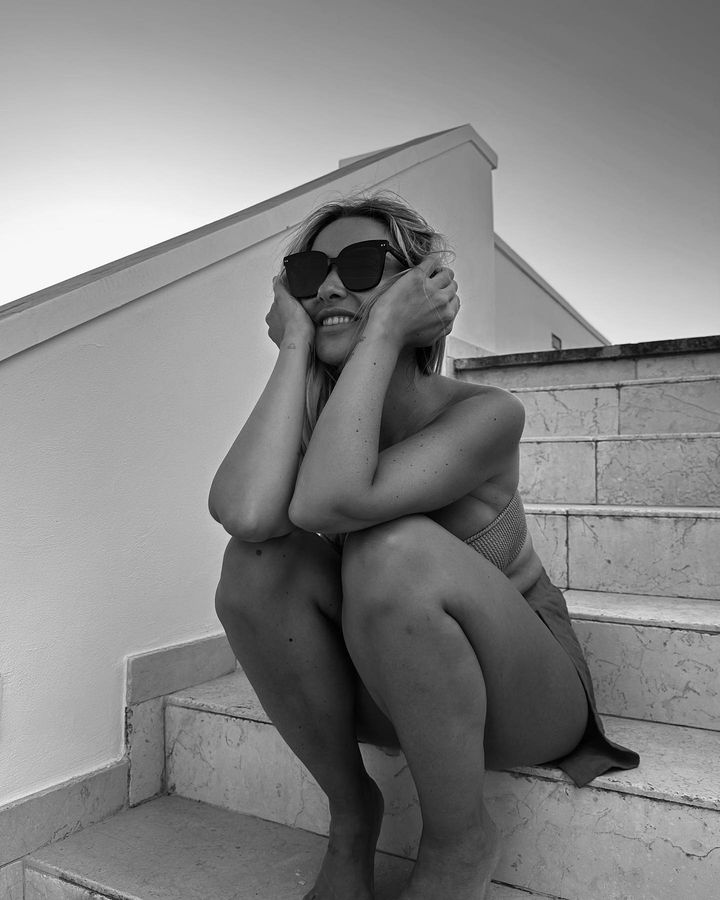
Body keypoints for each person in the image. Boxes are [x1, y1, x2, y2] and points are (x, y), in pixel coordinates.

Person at [209, 192, 638, 900]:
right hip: (395, 687)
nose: (331, 287)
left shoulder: (488, 413)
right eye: (311, 273)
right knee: (256, 563)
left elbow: (328, 504)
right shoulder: (319, 424)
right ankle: (353, 816)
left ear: (420, 290)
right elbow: (246, 516)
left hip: (526, 697)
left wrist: (381, 332)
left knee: (392, 549)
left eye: (360, 265)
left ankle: (459, 840)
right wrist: (293, 347)